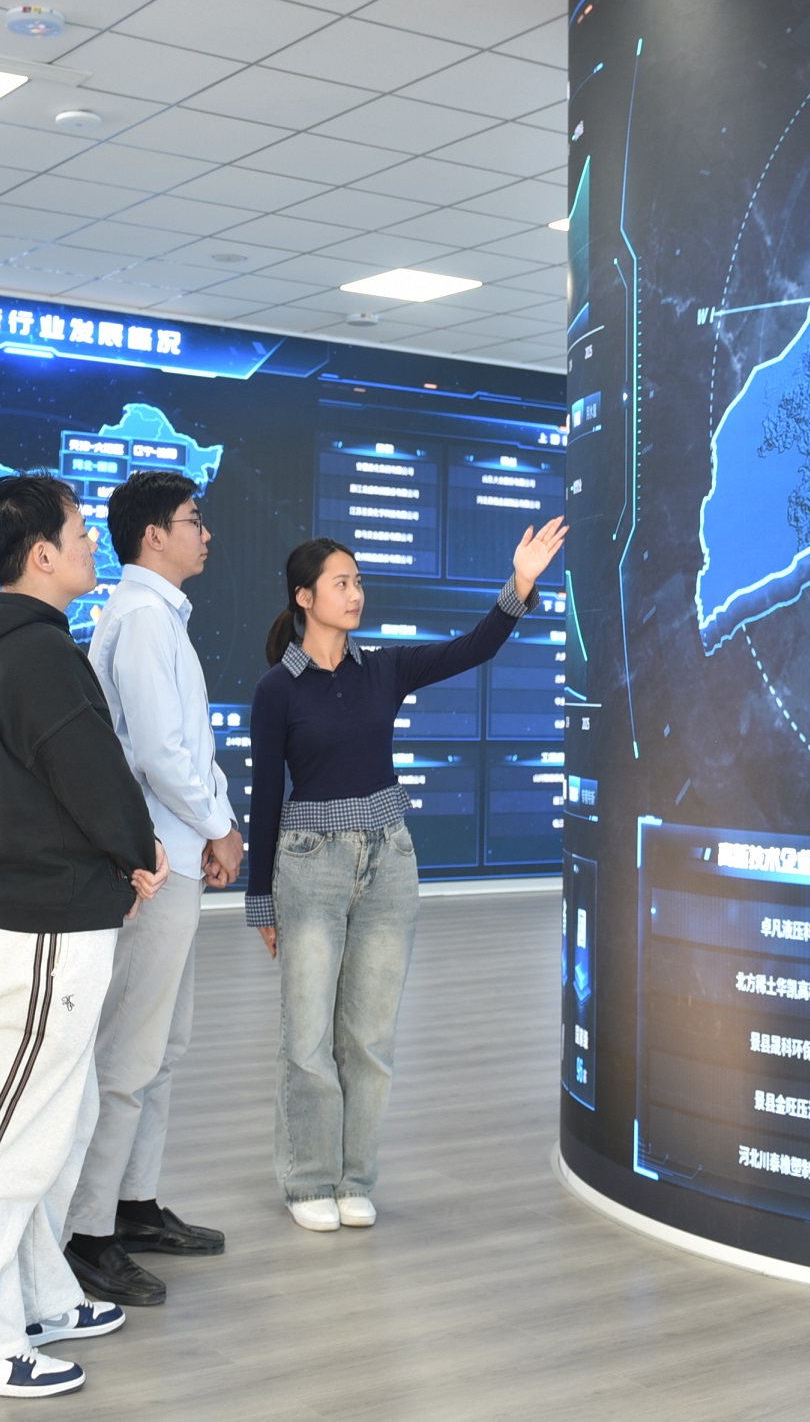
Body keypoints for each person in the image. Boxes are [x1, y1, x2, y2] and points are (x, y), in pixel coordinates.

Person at [0, 473, 168, 1401]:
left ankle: (34, 1295)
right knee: (4, 1139)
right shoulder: (38, 656)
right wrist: (138, 850)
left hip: (40, 920)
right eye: (80, 531)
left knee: (54, 1127)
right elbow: (95, 778)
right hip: (41, 933)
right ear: (41, 554)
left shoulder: (2, 651)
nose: (94, 543)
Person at [244, 518, 568, 1232]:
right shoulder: (277, 690)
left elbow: (473, 647)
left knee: (369, 1036)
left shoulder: (384, 668)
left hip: (389, 862)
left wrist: (519, 584)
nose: (356, 593)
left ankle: (354, 1177)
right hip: (309, 867)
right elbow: (265, 797)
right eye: (341, 583)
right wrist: (260, 901)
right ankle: (308, 1179)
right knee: (307, 1036)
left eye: (358, 581)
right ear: (304, 597)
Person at [62, 470, 244, 1308]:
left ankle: (133, 1205)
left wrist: (219, 822)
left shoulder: (159, 617)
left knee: (163, 1045)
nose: (206, 533)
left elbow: (188, 744)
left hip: (181, 852)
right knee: (128, 1054)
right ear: (154, 536)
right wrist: (218, 826)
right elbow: (159, 755)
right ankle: (87, 1232)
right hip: (155, 864)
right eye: (194, 520)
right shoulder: (139, 619)